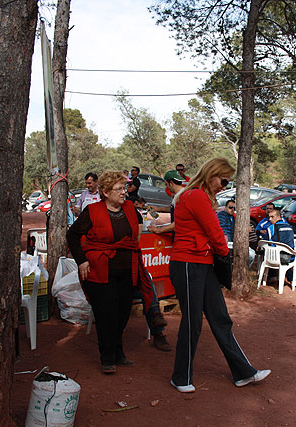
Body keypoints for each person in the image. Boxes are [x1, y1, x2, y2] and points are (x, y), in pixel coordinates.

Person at [169, 157, 270, 393]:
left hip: (201, 263)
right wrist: (225, 253)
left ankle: (244, 373)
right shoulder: (195, 196)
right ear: (212, 174)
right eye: (224, 180)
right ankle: (180, 377)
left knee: (220, 317)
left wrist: (219, 251)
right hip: (187, 263)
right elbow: (215, 232)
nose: (225, 186)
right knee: (193, 321)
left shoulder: (197, 196)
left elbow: (213, 233)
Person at [67, 170, 156, 373]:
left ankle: (118, 352)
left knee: (123, 313)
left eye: (124, 188)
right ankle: (108, 358)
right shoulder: (93, 211)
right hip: (100, 271)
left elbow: (137, 233)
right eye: (119, 189)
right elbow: (72, 236)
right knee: (107, 315)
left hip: (127, 271)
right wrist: (81, 261)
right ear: (106, 192)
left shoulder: (131, 210)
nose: (124, 192)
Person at [148, 170, 185, 235]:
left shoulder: (182, 196)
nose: (166, 187)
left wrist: (159, 230)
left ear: (171, 183)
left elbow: (179, 222)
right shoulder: (178, 195)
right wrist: (158, 209)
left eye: (166, 184)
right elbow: (174, 208)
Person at [267, 208, 296, 287]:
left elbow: (269, 243)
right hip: (290, 257)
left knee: (268, 252)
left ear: (278, 217)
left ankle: (271, 277)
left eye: (272, 217)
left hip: (275, 258)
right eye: (269, 217)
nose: (270, 219)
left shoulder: (271, 228)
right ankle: (292, 279)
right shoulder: (290, 227)